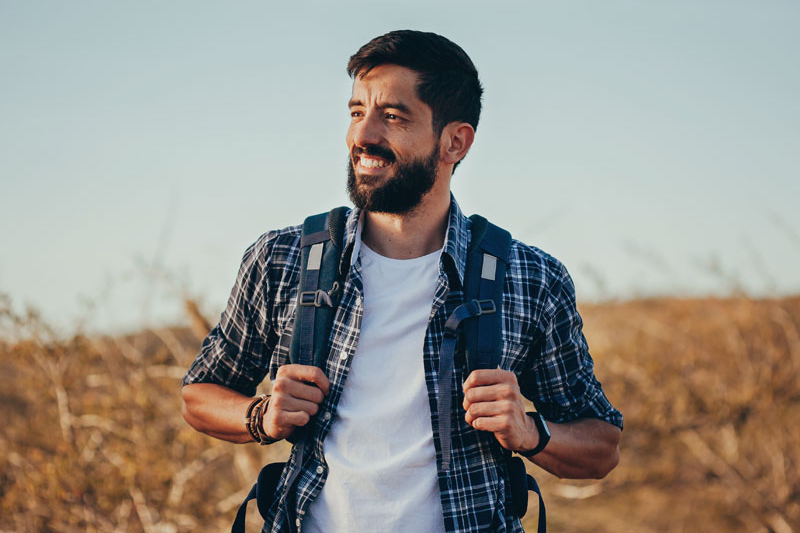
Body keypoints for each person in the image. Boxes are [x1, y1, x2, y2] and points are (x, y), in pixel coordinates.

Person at [181, 30, 623, 533]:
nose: (362, 135)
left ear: (455, 141)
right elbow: (199, 394)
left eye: (392, 116)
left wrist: (529, 431)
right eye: (356, 112)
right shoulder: (281, 260)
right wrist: (261, 415)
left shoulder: (530, 278)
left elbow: (601, 448)